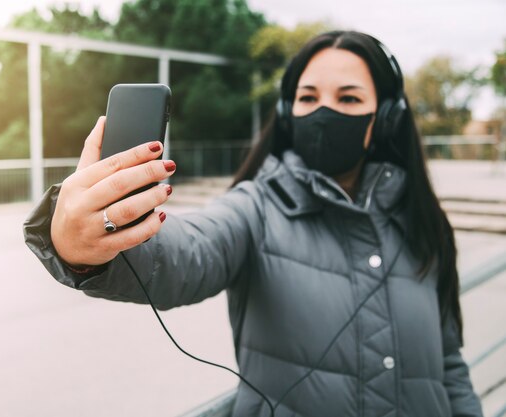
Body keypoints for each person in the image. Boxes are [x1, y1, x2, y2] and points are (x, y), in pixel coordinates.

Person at [24, 30, 484, 417]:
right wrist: (78, 240)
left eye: (348, 97)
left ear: (384, 119)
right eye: (308, 97)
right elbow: (186, 252)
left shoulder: (423, 224)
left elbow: (448, 364)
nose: (324, 112)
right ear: (287, 114)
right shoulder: (255, 208)